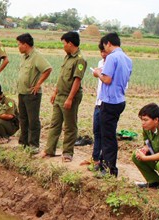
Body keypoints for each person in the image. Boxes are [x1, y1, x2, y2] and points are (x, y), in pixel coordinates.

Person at [38, 32, 86, 162]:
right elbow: (62, 77)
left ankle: (67, 153)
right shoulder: (67, 57)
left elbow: (77, 80)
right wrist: (55, 92)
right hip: (60, 95)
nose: (63, 46)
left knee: (70, 126)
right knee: (55, 124)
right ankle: (49, 150)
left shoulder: (80, 59)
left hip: (70, 96)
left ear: (70, 43)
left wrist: (70, 98)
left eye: (64, 43)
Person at [93, 32, 132, 177]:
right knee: (108, 133)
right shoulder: (127, 59)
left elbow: (107, 79)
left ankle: (110, 169)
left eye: (104, 46)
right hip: (120, 100)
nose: (104, 50)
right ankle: (104, 163)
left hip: (109, 101)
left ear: (108, 44)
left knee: (107, 136)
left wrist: (98, 74)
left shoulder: (112, 57)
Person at [16, 33, 52, 152]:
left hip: (32, 94)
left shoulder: (36, 56)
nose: (18, 47)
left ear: (25, 45)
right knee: (23, 118)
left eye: (19, 44)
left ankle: (34, 145)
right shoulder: (24, 57)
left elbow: (47, 69)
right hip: (22, 92)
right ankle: (23, 142)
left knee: (33, 120)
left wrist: (38, 84)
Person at [89, 42, 109, 171]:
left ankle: (104, 162)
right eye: (101, 52)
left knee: (105, 133)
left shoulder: (113, 65)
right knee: (96, 131)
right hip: (98, 102)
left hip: (108, 103)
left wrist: (99, 75)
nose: (103, 54)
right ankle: (95, 159)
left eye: (105, 52)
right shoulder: (100, 63)